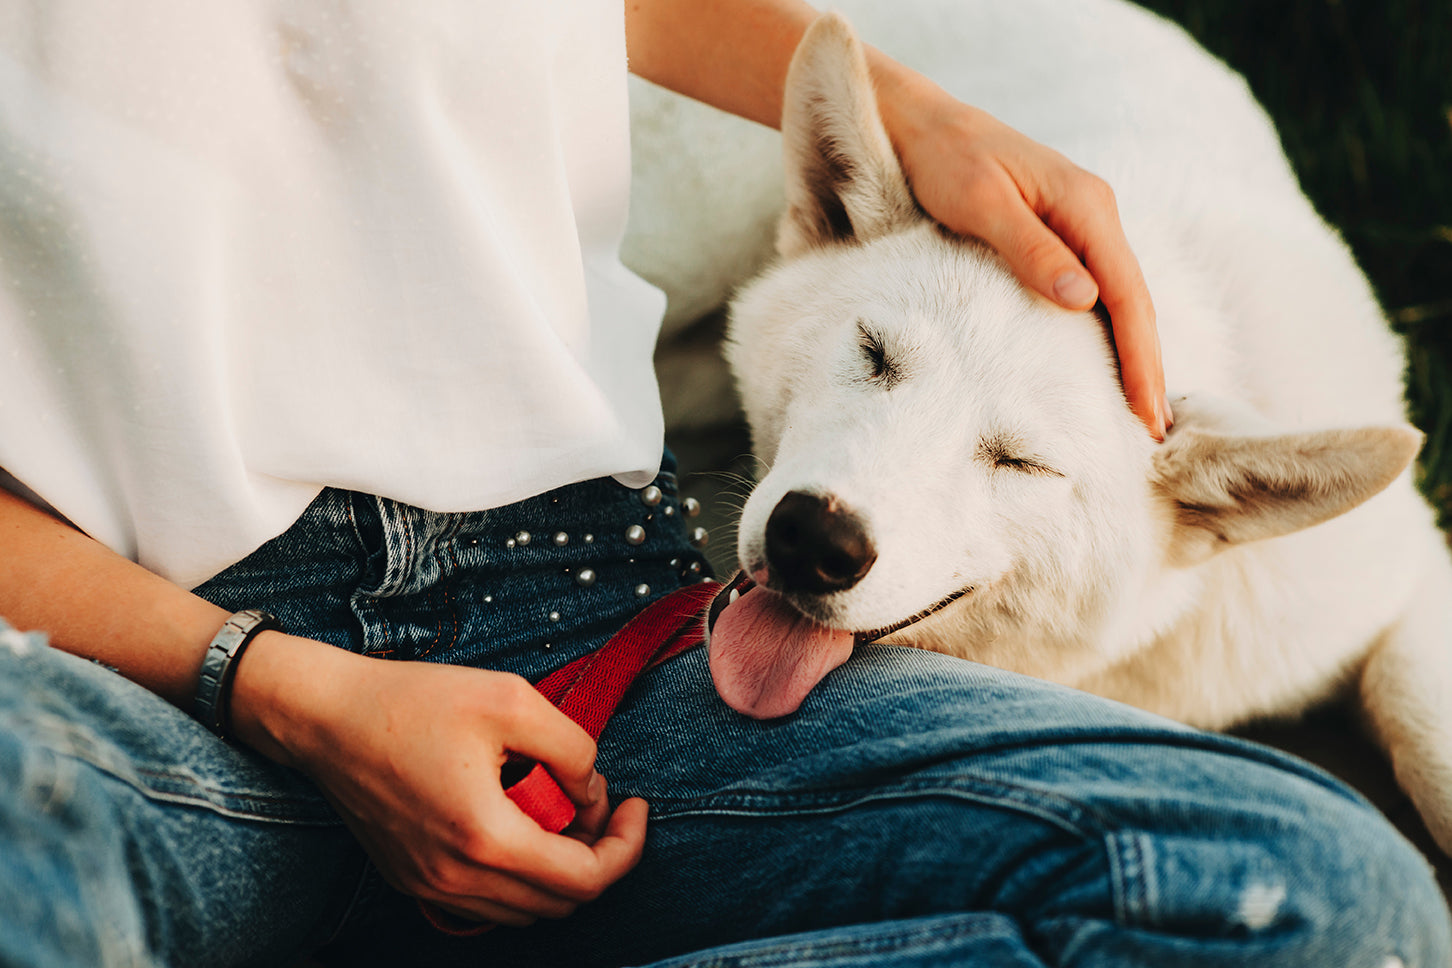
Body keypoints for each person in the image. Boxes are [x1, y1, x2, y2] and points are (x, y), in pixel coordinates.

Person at [0, 1, 1444, 966]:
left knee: (1335, 904)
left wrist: (910, 108)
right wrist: (282, 690)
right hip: (154, 664)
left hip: (592, 620)